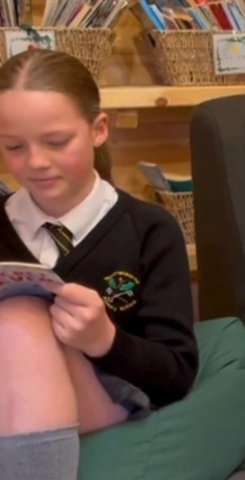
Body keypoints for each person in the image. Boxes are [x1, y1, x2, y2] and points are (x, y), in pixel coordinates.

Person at [0, 50, 198, 479]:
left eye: (56, 142)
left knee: (20, 318)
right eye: (14, 146)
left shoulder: (150, 230)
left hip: (107, 390)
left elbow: (177, 374)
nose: (34, 162)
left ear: (98, 130)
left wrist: (105, 339)